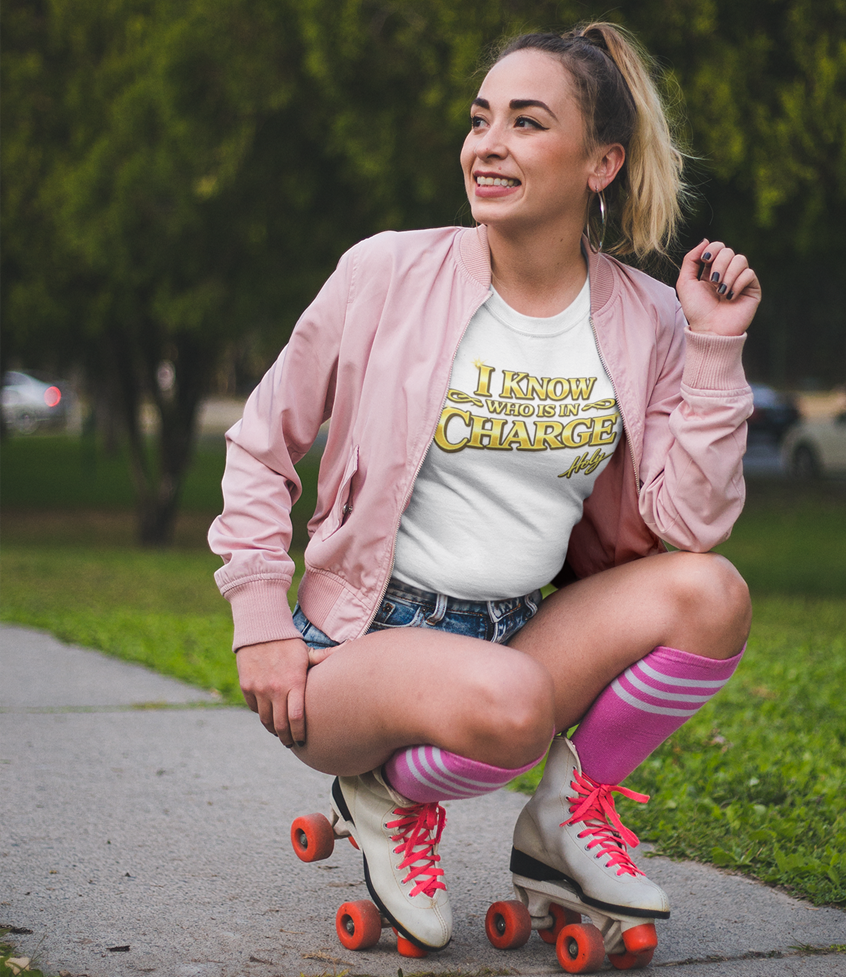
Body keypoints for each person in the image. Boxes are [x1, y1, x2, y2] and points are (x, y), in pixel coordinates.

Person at [209, 22, 759, 957]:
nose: (487, 145)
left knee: (715, 594)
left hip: (514, 635)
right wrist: (259, 620)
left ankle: (565, 819)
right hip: (356, 652)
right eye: (479, 120)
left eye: (526, 122)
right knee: (514, 704)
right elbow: (262, 444)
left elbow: (691, 520)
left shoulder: (649, 316)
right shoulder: (386, 272)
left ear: (601, 163)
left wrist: (714, 345)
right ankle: (382, 794)